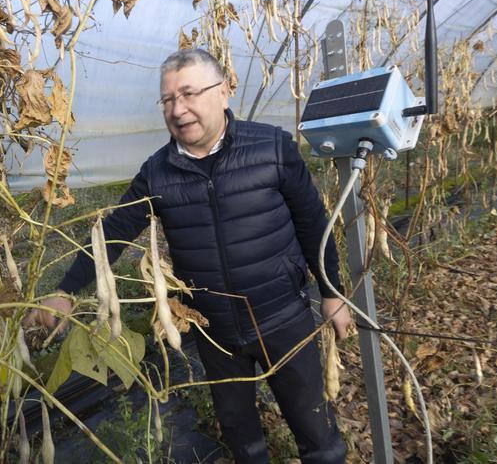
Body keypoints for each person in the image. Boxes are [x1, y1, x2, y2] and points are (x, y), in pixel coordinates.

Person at [31, 48, 352, 463]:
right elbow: (113, 234)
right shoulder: (157, 172)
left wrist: (332, 291)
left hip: (283, 319)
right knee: (242, 438)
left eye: (188, 94)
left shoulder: (272, 147)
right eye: (168, 100)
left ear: (223, 93)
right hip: (213, 330)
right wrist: (65, 291)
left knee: (316, 432)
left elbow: (313, 223)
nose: (178, 109)